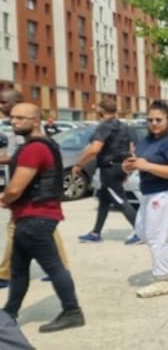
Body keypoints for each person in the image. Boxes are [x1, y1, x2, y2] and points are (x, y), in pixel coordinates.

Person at [0, 103, 85, 332]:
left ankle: (72, 312)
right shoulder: (41, 144)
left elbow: (16, 188)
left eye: (20, 118)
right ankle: (9, 312)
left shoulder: (34, 148)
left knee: (54, 268)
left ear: (36, 120)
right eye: (13, 118)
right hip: (31, 216)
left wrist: (5, 198)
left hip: (35, 216)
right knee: (18, 269)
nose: (14, 121)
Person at [0, 90, 69, 289]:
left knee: (23, 231)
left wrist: (8, 195)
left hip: (35, 196)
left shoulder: (33, 133)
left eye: (4, 102)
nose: (1, 106)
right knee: (23, 232)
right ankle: (7, 274)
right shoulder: (19, 127)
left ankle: (6, 275)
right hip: (29, 195)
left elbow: (30, 159)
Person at [122, 100, 168, 298]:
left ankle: (162, 279)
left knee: (155, 236)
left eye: (158, 120)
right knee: (142, 232)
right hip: (151, 192)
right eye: (150, 119)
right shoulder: (147, 140)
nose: (153, 123)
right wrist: (130, 166)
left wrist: (147, 166)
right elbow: (142, 161)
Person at [74, 98, 139, 244]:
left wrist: (79, 165)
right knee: (104, 199)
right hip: (120, 166)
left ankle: (140, 232)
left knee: (120, 200)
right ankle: (96, 233)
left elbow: (94, 149)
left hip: (109, 168)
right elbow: (132, 149)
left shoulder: (104, 127)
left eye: (97, 108)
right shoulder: (125, 126)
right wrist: (127, 170)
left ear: (101, 111)